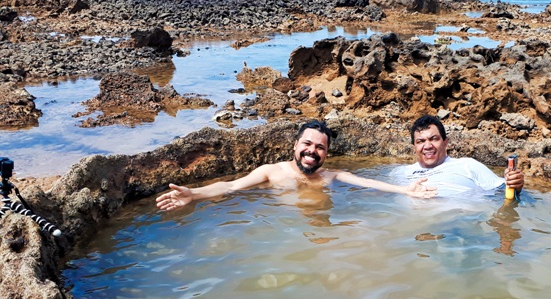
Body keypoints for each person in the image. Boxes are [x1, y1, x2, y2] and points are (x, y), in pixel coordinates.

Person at [156, 119, 436, 211]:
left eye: (319, 147)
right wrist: (195, 194)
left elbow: (370, 183)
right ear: (295, 145)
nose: (312, 152)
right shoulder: (271, 172)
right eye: (307, 145)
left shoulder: (331, 176)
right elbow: (230, 186)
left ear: (326, 153)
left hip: (322, 230)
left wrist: (405, 192)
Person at [392, 114, 525, 197]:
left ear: (445, 143)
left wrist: (515, 185)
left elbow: (502, 192)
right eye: (421, 141)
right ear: (414, 147)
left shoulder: (467, 165)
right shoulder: (399, 172)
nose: (427, 146)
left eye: (434, 139)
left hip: (457, 231)